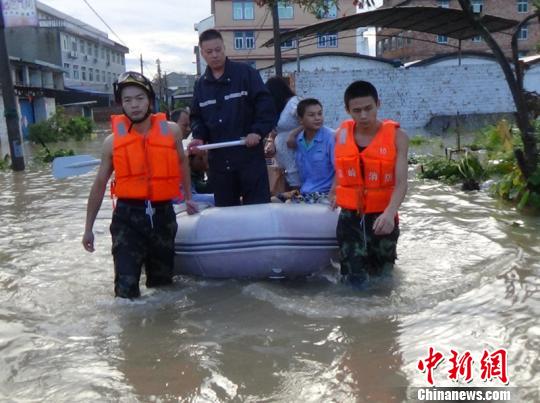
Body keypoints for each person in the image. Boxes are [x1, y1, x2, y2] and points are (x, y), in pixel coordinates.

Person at [82, 71, 198, 299]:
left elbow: (182, 163)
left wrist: (188, 198)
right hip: (127, 219)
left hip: (163, 216)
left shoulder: (172, 131)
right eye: (127, 100)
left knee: (162, 289)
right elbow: (98, 185)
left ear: (150, 101)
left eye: (139, 98)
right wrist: (88, 229)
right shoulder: (112, 142)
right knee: (125, 292)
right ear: (121, 104)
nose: (134, 105)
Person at [331, 80, 409, 286]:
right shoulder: (340, 135)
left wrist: (390, 213)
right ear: (347, 110)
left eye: (368, 108)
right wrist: (333, 192)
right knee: (351, 278)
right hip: (350, 218)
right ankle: (353, 318)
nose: (363, 116)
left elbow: (401, 183)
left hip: (383, 216)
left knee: (384, 279)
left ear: (378, 104)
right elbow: (341, 168)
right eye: (357, 110)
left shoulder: (398, 137)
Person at [189, 29, 275, 207]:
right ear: (202, 54)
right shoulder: (200, 85)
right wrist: (198, 137)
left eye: (218, 50)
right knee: (226, 213)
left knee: (258, 210)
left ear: (224, 48)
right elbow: (197, 117)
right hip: (220, 164)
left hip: (249, 158)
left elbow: (266, 107)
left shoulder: (246, 74)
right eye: (209, 52)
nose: (215, 55)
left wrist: (257, 132)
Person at [284, 98, 334, 204]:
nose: (317, 118)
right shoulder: (299, 139)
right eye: (311, 115)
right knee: (274, 201)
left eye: (320, 114)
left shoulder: (331, 137)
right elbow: (289, 142)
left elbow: (340, 170)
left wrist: (333, 194)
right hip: (306, 193)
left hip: (325, 194)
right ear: (300, 120)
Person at [264, 76, 302, 189]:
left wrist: (293, 134)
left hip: (296, 160)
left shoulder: (294, 103)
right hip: (284, 165)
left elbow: (308, 120)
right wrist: (271, 141)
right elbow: (276, 130)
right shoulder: (279, 108)